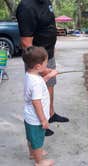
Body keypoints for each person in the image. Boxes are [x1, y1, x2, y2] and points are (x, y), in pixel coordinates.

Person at [16, 0, 69, 136]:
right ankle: (40, 124)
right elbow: (26, 43)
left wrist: (51, 53)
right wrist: (42, 69)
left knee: (50, 85)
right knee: (37, 94)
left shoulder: (46, 2)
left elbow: (49, 26)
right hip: (36, 62)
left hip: (48, 56)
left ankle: (50, 114)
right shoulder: (26, 7)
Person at [22, 46, 57, 166]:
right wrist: (43, 120)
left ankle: (32, 154)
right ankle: (39, 162)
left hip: (29, 117)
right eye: (45, 64)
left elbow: (40, 83)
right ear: (38, 66)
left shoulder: (30, 75)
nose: (47, 66)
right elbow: (36, 102)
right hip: (37, 120)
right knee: (38, 141)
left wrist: (49, 76)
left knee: (31, 138)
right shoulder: (36, 82)